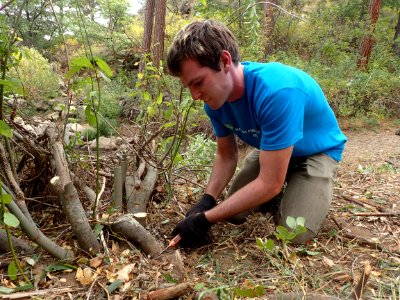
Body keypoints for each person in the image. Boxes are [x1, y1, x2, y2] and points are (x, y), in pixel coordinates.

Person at [166, 19, 347, 247]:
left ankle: (299, 182)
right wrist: (207, 201)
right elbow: (226, 155)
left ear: (224, 61)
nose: (194, 95)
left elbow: (270, 183)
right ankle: (279, 171)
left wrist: (204, 220)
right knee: (234, 214)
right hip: (271, 150)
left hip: (316, 152)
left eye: (198, 82)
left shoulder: (277, 91)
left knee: (294, 233)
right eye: (188, 87)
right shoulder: (215, 102)